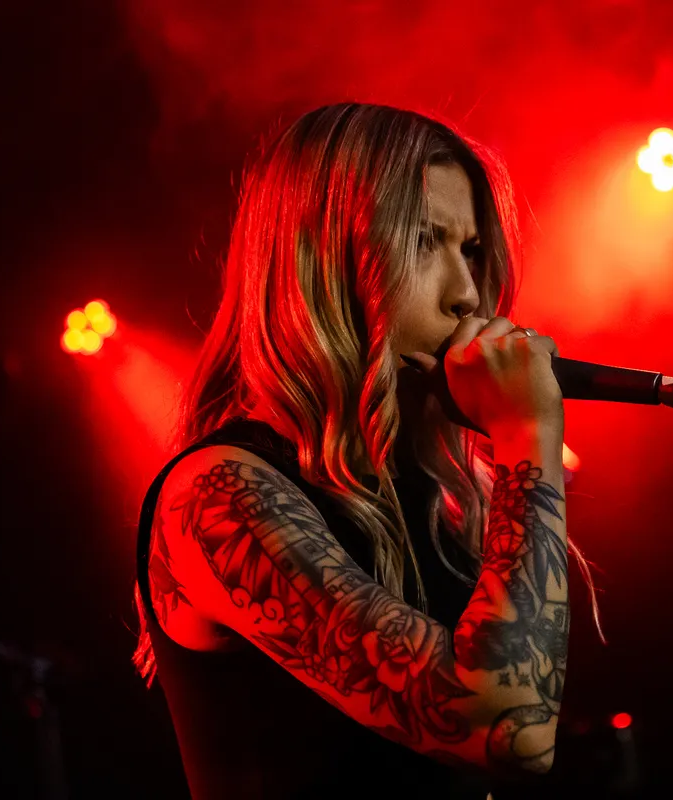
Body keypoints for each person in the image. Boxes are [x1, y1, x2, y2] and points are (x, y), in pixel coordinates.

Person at [133, 103, 572, 799]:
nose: (466, 294)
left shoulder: (436, 495)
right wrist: (527, 437)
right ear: (323, 261)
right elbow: (506, 725)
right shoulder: (220, 495)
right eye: (423, 243)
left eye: (471, 250)